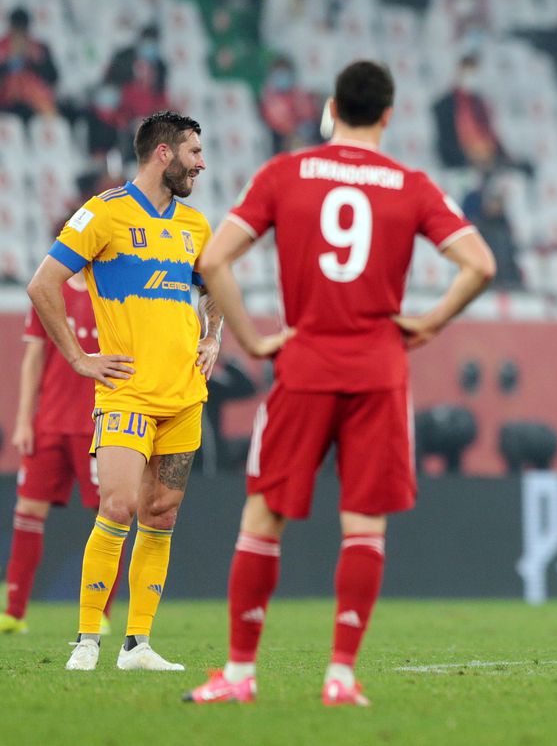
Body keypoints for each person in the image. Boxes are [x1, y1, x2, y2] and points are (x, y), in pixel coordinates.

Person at [184, 60, 495, 707]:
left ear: (331, 108)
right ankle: (341, 677)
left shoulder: (285, 173)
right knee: (364, 524)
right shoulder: (409, 185)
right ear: (388, 113)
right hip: (379, 367)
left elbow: (212, 260)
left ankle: (240, 675)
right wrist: (431, 323)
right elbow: (480, 265)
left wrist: (248, 337)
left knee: (264, 514)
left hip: (304, 360)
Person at [25, 110, 220, 672]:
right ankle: (88, 639)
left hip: (184, 396)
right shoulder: (104, 214)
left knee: (161, 515)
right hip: (127, 394)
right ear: (164, 153)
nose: (201, 164)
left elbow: (214, 291)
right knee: (117, 505)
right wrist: (78, 358)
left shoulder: (195, 226)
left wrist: (212, 338)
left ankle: (137, 646)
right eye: (194, 153)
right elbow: (43, 284)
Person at [1, 273, 123, 636]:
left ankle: (100, 613)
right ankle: (14, 612)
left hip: (99, 422)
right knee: (27, 511)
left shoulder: (115, 292)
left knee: (109, 515)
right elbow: (34, 358)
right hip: (50, 423)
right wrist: (25, 420)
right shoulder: (48, 294)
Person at [0, 6, 59, 119]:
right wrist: (8, 62)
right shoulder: (1, 48)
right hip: (6, 102)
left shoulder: (40, 48)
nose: (20, 34)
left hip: (34, 104)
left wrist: (37, 62)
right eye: (17, 29)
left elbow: (53, 78)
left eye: (23, 29)